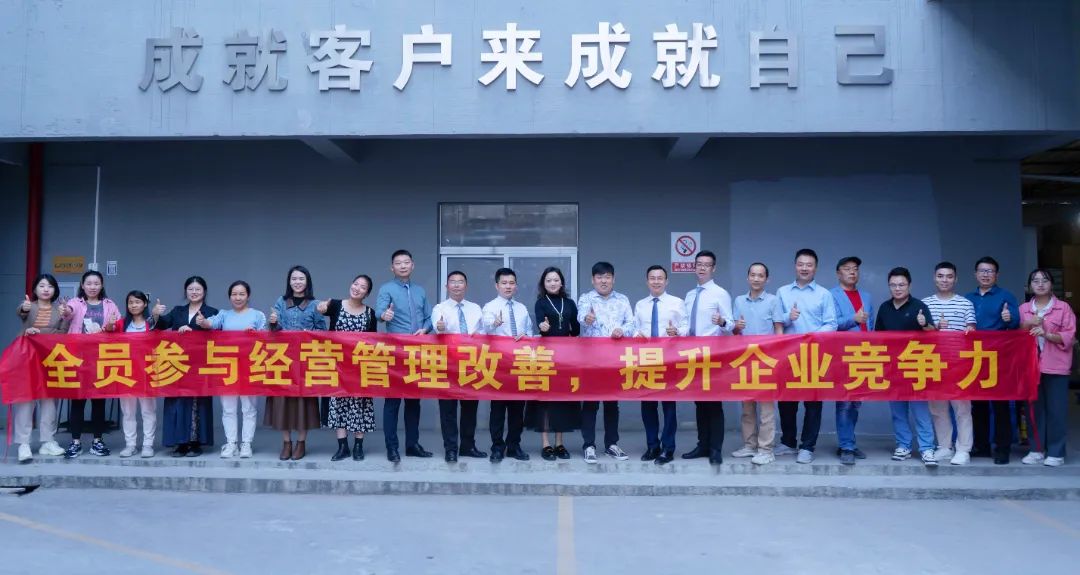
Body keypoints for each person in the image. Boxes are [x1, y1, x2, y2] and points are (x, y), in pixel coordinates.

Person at [776, 249, 837, 464]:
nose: (804, 268)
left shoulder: (824, 294)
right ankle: (788, 441)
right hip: (788, 354)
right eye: (801, 264)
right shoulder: (782, 292)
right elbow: (776, 321)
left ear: (815, 268)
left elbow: (832, 324)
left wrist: (813, 336)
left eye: (809, 265)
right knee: (786, 401)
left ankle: (807, 446)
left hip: (814, 354)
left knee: (813, 403)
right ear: (795, 266)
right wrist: (788, 317)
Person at [374, 249, 433, 462]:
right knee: (392, 402)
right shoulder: (386, 289)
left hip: (417, 352)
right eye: (398, 263)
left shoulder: (420, 291)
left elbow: (429, 317)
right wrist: (385, 314)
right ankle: (392, 448)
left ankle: (412, 445)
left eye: (406, 262)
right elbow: (379, 313)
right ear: (392, 268)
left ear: (412, 265)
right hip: (396, 352)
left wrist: (425, 329)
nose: (402, 266)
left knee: (414, 402)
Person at [197, 280, 266, 459]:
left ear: (248, 296)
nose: (238, 297)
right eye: (234, 294)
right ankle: (231, 443)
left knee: (249, 408)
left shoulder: (257, 315)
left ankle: (246, 444)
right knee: (228, 408)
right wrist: (203, 322)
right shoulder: (224, 315)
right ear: (229, 297)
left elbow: (267, 337)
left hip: (250, 367)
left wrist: (256, 334)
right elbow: (210, 324)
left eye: (241, 294)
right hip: (227, 366)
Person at [876, 267, 938, 467]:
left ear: (909, 285)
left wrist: (924, 324)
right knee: (898, 411)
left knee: (920, 410)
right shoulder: (884, 308)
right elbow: (877, 338)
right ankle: (903, 445)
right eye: (893, 285)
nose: (897, 288)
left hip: (916, 365)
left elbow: (933, 333)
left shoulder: (919, 306)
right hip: (893, 367)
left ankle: (927, 448)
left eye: (901, 284)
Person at [578, 261, 636, 464]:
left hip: (614, 359)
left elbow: (631, 323)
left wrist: (622, 330)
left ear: (613, 279)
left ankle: (612, 444)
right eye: (599, 277)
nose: (603, 281)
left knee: (612, 403)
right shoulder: (586, 298)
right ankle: (589, 445)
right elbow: (580, 317)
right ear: (592, 280)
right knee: (590, 403)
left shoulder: (622, 299)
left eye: (607, 277)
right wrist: (587, 319)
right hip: (591, 359)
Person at [267, 265, 326, 461]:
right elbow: (274, 331)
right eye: (294, 279)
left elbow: (323, 331)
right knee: (282, 402)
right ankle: (286, 443)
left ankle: (301, 443)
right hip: (283, 359)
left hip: (304, 361)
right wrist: (273, 322)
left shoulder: (315, 304)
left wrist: (310, 335)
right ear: (289, 281)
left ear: (307, 281)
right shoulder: (281, 301)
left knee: (303, 403)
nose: (297, 282)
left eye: (301, 278)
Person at [965, 256, 1020, 464]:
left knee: (1000, 405)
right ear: (975, 274)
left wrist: (1009, 318)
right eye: (982, 271)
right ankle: (982, 446)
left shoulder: (1006, 296)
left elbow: (1015, 324)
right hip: (974, 358)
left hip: (998, 359)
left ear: (996, 275)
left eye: (990, 271)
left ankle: (1003, 448)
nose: (985, 275)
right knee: (977, 405)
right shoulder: (967, 298)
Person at [154, 276, 218, 457]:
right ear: (186, 291)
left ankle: (195, 443)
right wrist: (156, 314)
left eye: (198, 289)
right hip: (177, 364)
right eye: (191, 289)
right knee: (177, 403)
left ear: (204, 291)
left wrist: (196, 330)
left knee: (198, 404)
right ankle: (179, 442)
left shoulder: (212, 312)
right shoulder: (178, 311)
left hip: (200, 365)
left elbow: (218, 335)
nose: (194, 292)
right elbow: (161, 325)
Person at [1019, 269, 1076, 467]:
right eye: (1035, 281)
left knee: (1056, 410)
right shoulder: (1024, 309)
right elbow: (1015, 337)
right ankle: (1036, 450)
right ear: (1029, 286)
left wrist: (1046, 334)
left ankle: (1056, 452)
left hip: (1056, 365)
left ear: (1051, 284)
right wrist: (1027, 324)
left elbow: (1069, 337)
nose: (1040, 284)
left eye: (1045, 280)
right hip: (1030, 367)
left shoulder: (1063, 308)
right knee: (1034, 410)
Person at [61, 270, 121, 458]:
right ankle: (75, 442)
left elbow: (117, 327)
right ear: (82, 285)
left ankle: (97, 441)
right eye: (89, 283)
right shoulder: (75, 302)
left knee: (99, 401)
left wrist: (111, 326)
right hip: (78, 358)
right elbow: (68, 314)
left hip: (101, 359)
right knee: (77, 401)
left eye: (96, 283)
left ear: (102, 285)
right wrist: (65, 310)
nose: (93, 287)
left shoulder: (110, 304)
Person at [681, 250, 733, 464]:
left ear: (713, 268)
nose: (702, 268)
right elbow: (686, 325)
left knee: (713, 403)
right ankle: (702, 445)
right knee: (699, 403)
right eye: (699, 264)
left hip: (712, 355)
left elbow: (730, 325)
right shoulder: (690, 295)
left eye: (706, 264)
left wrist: (721, 322)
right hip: (692, 354)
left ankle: (715, 449)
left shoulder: (720, 293)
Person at [922, 261, 976, 465]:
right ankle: (944, 447)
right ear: (934, 278)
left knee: (962, 408)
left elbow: (972, 330)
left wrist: (970, 331)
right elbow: (920, 333)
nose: (944, 280)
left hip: (959, 363)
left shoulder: (965, 303)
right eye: (940, 276)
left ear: (955, 279)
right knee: (937, 409)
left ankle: (963, 449)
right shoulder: (925, 303)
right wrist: (934, 328)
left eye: (949, 276)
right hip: (934, 362)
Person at [318, 274, 377, 462]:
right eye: (356, 284)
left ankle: (358, 445)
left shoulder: (370, 313)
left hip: (360, 368)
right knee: (338, 405)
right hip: (337, 366)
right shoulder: (335, 305)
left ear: (367, 293)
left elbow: (373, 342)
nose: (357, 288)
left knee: (360, 405)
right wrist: (320, 307)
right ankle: (342, 446)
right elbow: (319, 310)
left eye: (363, 287)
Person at [731, 263, 784, 466]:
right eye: (753, 275)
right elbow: (735, 331)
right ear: (747, 278)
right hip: (745, 359)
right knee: (747, 406)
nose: (756, 279)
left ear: (767, 279)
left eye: (760, 276)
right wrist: (737, 327)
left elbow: (778, 329)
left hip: (767, 360)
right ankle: (749, 445)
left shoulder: (773, 301)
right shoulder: (739, 301)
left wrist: (779, 355)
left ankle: (766, 449)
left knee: (766, 408)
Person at [12, 273, 69, 462]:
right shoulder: (29, 305)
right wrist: (26, 323)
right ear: (35, 289)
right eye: (42, 285)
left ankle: (48, 441)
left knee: (50, 400)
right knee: (26, 400)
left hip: (50, 359)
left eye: (50, 286)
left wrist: (65, 317)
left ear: (55, 290)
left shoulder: (59, 309)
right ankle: (23, 443)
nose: (46, 289)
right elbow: (21, 311)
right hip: (27, 358)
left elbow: (63, 333)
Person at [633, 265, 687, 465]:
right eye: (652, 278)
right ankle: (652, 446)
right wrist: (636, 335)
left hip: (669, 359)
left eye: (660, 278)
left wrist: (677, 332)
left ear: (666, 281)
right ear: (647, 281)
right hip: (647, 359)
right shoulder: (640, 305)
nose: (656, 281)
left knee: (669, 407)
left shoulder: (677, 302)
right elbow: (634, 328)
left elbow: (686, 327)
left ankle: (668, 448)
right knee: (648, 406)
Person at [431, 270, 487, 462]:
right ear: (447, 286)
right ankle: (451, 449)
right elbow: (438, 327)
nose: (456, 285)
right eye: (452, 282)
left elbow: (483, 332)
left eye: (460, 281)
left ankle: (468, 446)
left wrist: (479, 336)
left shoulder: (475, 308)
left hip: (471, 363)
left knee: (470, 408)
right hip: (448, 364)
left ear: (466, 286)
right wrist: (440, 327)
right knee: (448, 409)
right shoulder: (440, 308)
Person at [528, 266, 581, 461]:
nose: (552, 283)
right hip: (545, 356)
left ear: (561, 283)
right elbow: (540, 327)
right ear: (544, 283)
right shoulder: (541, 303)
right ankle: (546, 444)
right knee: (545, 400)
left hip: (565, 357)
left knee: (562, 400)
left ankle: (559, 443)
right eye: (549, 280)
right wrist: (542, 327)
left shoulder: (570, 303)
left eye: (556, 280)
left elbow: (576, 330)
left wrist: (582, 322)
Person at [483, 267, 535, 462]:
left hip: (519, 363)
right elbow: (485, 328)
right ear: (497, 286)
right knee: (497, 409)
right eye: (504, 283)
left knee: (517, 409)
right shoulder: (490, 307)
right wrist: (494, 323)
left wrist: (526, 336)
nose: (508, 286)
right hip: (498, 364)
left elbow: (530, 333)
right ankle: (497, 447)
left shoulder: (522, 308)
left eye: (511, 283)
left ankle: (514, 445)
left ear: (516, 286)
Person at [830, 256, 875, 466]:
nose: (852, 272)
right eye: (847, 269)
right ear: (838, 273)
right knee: (844, 402)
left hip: (864, 355)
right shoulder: (831, 295)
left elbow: (870, 326)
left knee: (856, 403)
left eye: (855, 269)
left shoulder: (866, 296)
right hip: (843, 355)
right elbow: (831, 323)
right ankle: (846, 446)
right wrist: (853, 319)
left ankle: (849, 442)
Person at [115, 290, 158, 458]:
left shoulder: (151, 322)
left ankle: (148, 445)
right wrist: (109, 326)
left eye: (137, 302)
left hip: (147, 372)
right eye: (130, 302)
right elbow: (108, 337)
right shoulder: (121, 323)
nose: (134, 305)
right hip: (126, 373)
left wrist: (157, 316)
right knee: (128, 412)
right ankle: (130, 444)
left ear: (145, 304)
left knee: (148, 411)